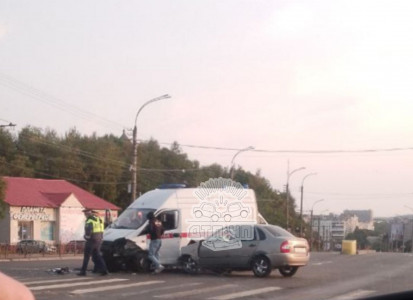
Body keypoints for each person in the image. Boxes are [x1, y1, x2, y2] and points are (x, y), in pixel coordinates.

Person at [77, 209, 109, 276]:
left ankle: (83, 271)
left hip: (91, 241)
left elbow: (88, 232)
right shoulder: (99, 220)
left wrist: (85, 237)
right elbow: (102, 230)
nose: (85, 215)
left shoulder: (89, 220)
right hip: (99, 240)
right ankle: (104, 270)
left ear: (87, 213)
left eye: (85, 214)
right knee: (98, 256)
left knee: (86, 256)